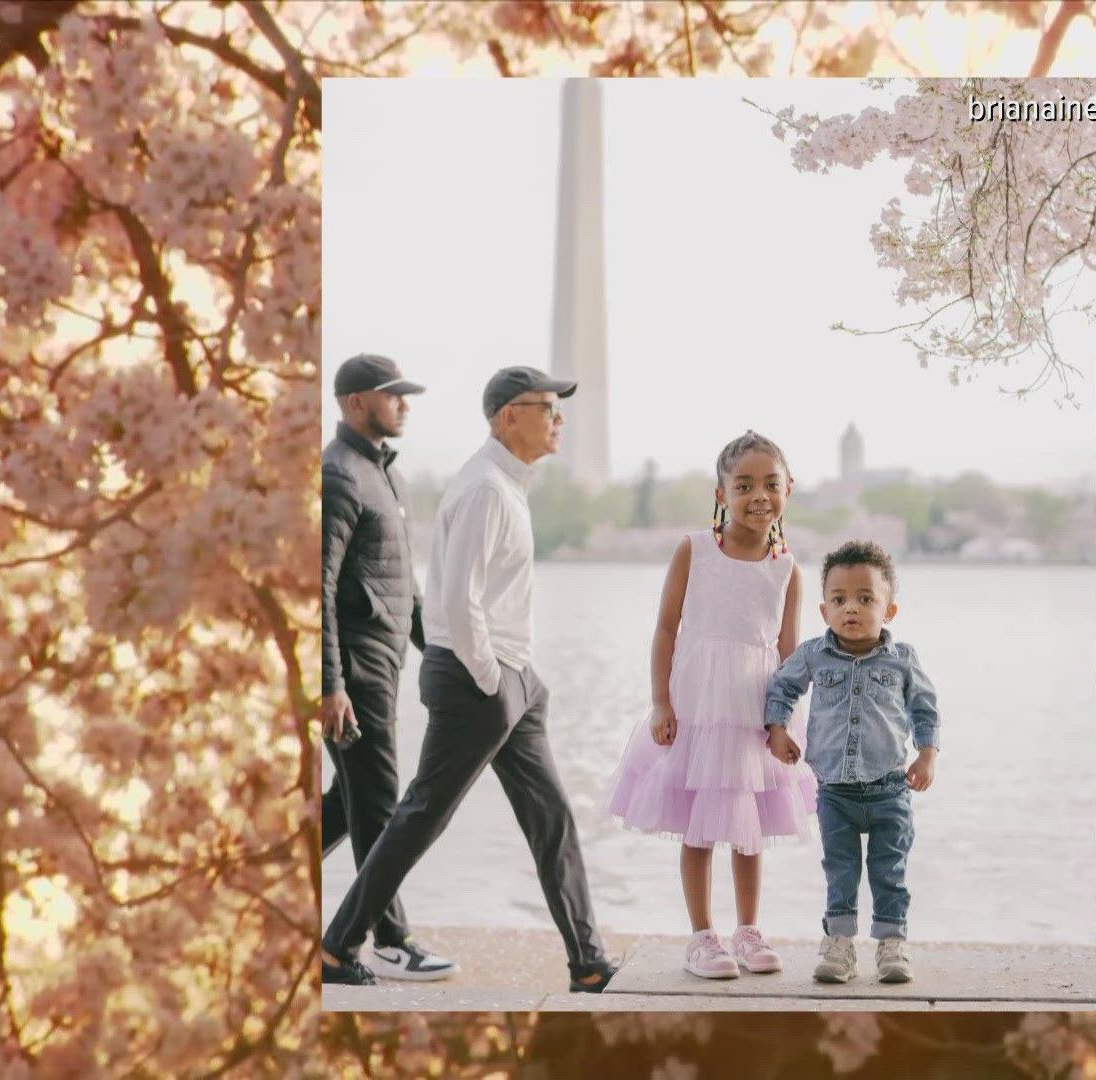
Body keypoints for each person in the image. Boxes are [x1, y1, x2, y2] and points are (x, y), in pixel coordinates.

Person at [320, 365, 620, 993]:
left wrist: (517, 677)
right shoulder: (485, 487)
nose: (559, 418)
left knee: (552, 818)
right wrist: (489, 677)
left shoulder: (507, 485)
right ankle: (339, 945)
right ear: (510, 415)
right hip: (481, 680)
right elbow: (458, 599)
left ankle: (587, 961)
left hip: (512, 677)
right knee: (423, 813)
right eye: (547, 407)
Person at [605, 431, 814, 979]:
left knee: (749, 823)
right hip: (697, 708)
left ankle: (748, 929)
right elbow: (666, 630)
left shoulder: (786, 567)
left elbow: (789, 654)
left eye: (771, 484)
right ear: (722, 493)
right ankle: (702, 936)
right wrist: (660, 704)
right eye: (743, 485)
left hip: (754, 712)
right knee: (698, 823)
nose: (759, 495)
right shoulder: (694, 549)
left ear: (788, 488)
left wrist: (781, 722)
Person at [319, 353, 457, 980]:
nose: (404, 403)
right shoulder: (338, 475)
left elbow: (406, 589)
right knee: (377, 803)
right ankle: (390, 937)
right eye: (391, 394)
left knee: (348, 806)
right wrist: (331, 686)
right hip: (354, 669)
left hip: (385, 662)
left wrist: (446, 652)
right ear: (355, 403)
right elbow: (315, 587)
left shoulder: (389, 478)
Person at [762, 539, 940, 985]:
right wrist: (778, 729)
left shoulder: (902, 660)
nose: (851, 609)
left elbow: (924, 709)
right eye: (839, 600)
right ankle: (839, 945)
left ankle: (891, 945)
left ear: (889, 610)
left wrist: (926, 755)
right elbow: (782, 687)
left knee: (889, 870)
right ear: (824, 611)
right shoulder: (814, 655)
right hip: (835, 792)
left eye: (866, 599)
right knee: (840, 870)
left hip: (890, 788)